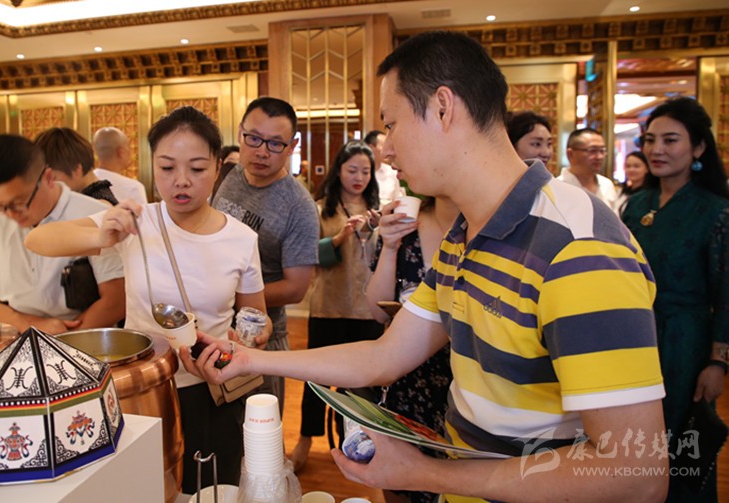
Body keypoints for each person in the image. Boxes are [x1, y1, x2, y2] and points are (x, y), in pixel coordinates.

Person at [185, 30, 668, 502]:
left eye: (392, 124)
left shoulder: (577, 245)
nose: (387, 150)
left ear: (442, 107)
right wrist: (249, 359)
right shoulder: (467, 234)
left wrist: (430, 474)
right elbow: (385, 355)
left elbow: (634, 475)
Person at [25, 106, 271, 494]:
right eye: (167, 167)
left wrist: (252, 335)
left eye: (197, 168)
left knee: (210, 491)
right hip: (142, 390)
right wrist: (102, 235)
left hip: (211, 389)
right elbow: (37, 239)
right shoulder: (136, 221)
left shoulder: (241, 238)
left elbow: (256, 314)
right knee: (142, 490)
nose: (181, 181)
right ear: (152, 165)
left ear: (218, 168)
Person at [621, 97, 729, 502]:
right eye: (650, 140)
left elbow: (726, 293)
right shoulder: (637, 205)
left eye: (670, 140)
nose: (656, 149)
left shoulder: (716, 212)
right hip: (635, 336)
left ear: (698, 148)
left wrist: (718, 362)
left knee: (680, 442)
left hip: (685, 342)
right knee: (631, 437)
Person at [212, 97, 320, 410]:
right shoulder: (230, 176)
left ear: (292, 146)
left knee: (259, 430)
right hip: (214, 328)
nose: (261, 151)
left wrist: (231, 294)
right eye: (254, 138)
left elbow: (296, 288)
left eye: (275, 143)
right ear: (240, 133)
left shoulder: (299, 207)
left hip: (261, 338)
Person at [290, 140, 383, 472]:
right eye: (352, 170)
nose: (358, 178)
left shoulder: (379, 211)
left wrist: (380, 229)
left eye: (365, 171)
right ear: (338, 170)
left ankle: (357, 442)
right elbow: (310, 256)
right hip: (329, 306)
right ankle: (305, 439)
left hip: (367, 309)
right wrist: (340, 238)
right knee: (316, 378)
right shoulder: (320, 209)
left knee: (362, 383)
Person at [0, 134, 125, 334]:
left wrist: (61, 340)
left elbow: (116, 300)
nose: (10, 214)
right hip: (20, 334)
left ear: (48, 178)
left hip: (86, 337)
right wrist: (31, 325)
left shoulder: (93, 215)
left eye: (19, 202)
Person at [365, 195, 459, 503]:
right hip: (406, 382)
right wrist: (389, 246)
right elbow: (378, 311)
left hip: (467, 388)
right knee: (400, 484)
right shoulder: (405, 223)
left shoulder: (486, 226)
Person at [35, 127, 118, 205]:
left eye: (52, 178)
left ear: (76, 169)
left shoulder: (99, 205)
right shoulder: (83, 198)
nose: (48, 185)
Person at [558, 127, 618, 208]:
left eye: (602, 151)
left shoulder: (606, 185)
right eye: (592, 150)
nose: (599, 157)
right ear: (570, 154)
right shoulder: (558, 187)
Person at [92, 127, 148, 204]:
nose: (130, 153)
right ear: (121, 152)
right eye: (129, 148)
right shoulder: (133, 188)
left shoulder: (85, 183)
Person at [364, 130, 400, 207]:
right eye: (383, 146)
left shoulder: (392, 172)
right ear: (371, 148)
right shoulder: (360, 174)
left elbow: (397, 200)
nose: (388, 151)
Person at [614, 150, 648, 215]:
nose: (631, 170)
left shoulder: (648, 194)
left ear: (647, 168)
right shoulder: (623, 191)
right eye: (628, 166)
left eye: (636, 166)